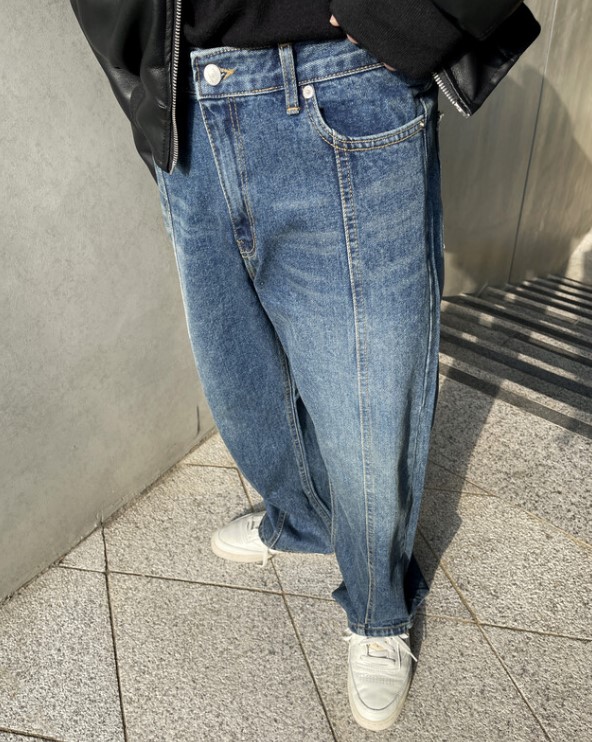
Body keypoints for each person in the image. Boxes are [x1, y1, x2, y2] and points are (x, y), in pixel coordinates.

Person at [70, 0, 540, 731]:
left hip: (343, 82)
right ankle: (303, 521)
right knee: (242, 381)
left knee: (368, 400)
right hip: (189, 102)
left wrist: (400, 21)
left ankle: (380, 607)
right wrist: (140, 83)